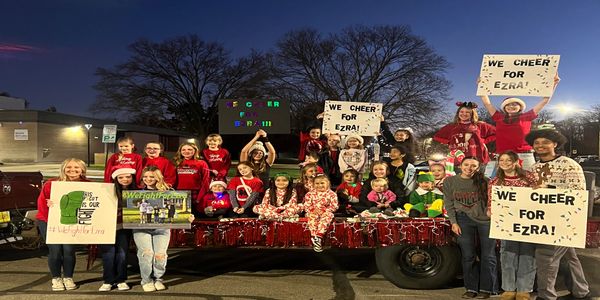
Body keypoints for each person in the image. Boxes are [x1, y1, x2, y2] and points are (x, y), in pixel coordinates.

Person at [525, 129, 590, 300]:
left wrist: (550, 189)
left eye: (545, 142)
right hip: (543, 217)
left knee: (545, 256)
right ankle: (581, 292)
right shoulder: (534, 167)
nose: (540, 145)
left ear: (555, 144)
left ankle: (546, 296)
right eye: (537, 143)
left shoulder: (569, 164)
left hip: (563, 219)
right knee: (569, 256)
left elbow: (578, 192)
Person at [479, 74, 560, 170]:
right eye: (508, 105)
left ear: (520, 107)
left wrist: (553, 84)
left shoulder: (526, 117)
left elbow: (544, 101)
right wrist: (481, 86)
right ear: (504, 108)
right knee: (503, 183)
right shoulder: (498, 117)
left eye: (514, 104)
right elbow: (487, 103)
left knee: (529, 182)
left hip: (524, 156)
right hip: (504, 156)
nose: (511, 106)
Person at [444, 156, 497, 299]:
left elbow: (494, 199)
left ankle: (487, 288)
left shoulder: (485, 181)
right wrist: (453, 222)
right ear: (460, 166)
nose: (469, 168)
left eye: (473, 165)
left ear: (478, 168)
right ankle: (471, 288)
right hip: (463, 220)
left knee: (488, 255)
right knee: (468, 255)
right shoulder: (450, 181)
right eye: (466, 165)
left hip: (485, 220)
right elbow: (448, 203)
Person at [486, 151, 537, 300]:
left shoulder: (529, 177)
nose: (505, 162)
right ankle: (508, 289)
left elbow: (539, 196)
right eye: (502, 160)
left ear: (516, 162)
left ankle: (524, 289)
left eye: (509, 160)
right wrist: (491, 212)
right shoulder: (495, 181)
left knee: (527, 255)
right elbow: (491, 201)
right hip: (506, 224)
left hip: (528, 222)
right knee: (508, 255)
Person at [36, 158, 90, 291]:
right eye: (69, 167)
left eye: (77, 168)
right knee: (55, 251)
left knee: (69, 250)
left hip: (72, 222)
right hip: (48, 220)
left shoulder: (88, 184)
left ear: (82, 170)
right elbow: (41, 204)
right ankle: (56, 278)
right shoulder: (52, 184)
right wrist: (51, 207)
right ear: (63, 169)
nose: (72, 170)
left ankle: (68, 277)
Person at [134, 166, 174, 292]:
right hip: (142, 228)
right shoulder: (137, 193)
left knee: (160, 255)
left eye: (151, 176)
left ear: (158, 177)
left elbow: (175, 210)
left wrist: (187, 217)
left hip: (162, 228)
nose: (148, 179)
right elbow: (133, 210)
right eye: (145, 176)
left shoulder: (169, 192)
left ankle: (158, 279)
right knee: (146, 254)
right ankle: (146, 280)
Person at [98, 166, 136, 292]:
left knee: (122, 254)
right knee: (108, 255)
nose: (125, 179)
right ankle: (108, 280)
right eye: (121, 177)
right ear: (115, 178)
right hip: (106, 227)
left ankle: (121, 280)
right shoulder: (107, 191)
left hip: (123, 228)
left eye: (128, 176)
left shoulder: (137, 191)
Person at [434, 102, 496, 171]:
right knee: (459, 181)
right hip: (458, 163)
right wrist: (450, 142)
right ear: (458, 113)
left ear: (472, 114)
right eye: (462, 111)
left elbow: (498, 132)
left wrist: (483, 140)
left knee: (479, 181)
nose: (464, 114)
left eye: (467, 112)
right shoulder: (451, 127)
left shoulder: (480, 125)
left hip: (477, 161)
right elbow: (438, 136)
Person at [173, 142, 210, 217]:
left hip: (196, 193)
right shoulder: (176, 163)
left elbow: (206, 180)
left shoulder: (202, 163)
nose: (186, 151)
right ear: (180, 151)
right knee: (181, 218)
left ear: (195, 151)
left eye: (189, 149)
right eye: (183, 150)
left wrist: (200, 197)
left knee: (195, 216)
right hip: (179, 193)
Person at [303, 174, 338, 252]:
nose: (320, 185)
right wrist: (313, 210)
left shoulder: (332, 194)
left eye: (322, 183)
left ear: (328, 183)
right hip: (313, 212)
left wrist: (325, 210)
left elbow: (334, 206)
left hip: (325, 212)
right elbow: (306, 205)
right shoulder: (309, 194)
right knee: (312, 217)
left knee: (327, 217)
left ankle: (318, 236)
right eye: (317, 183)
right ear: (313, 184)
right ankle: (314, 236)